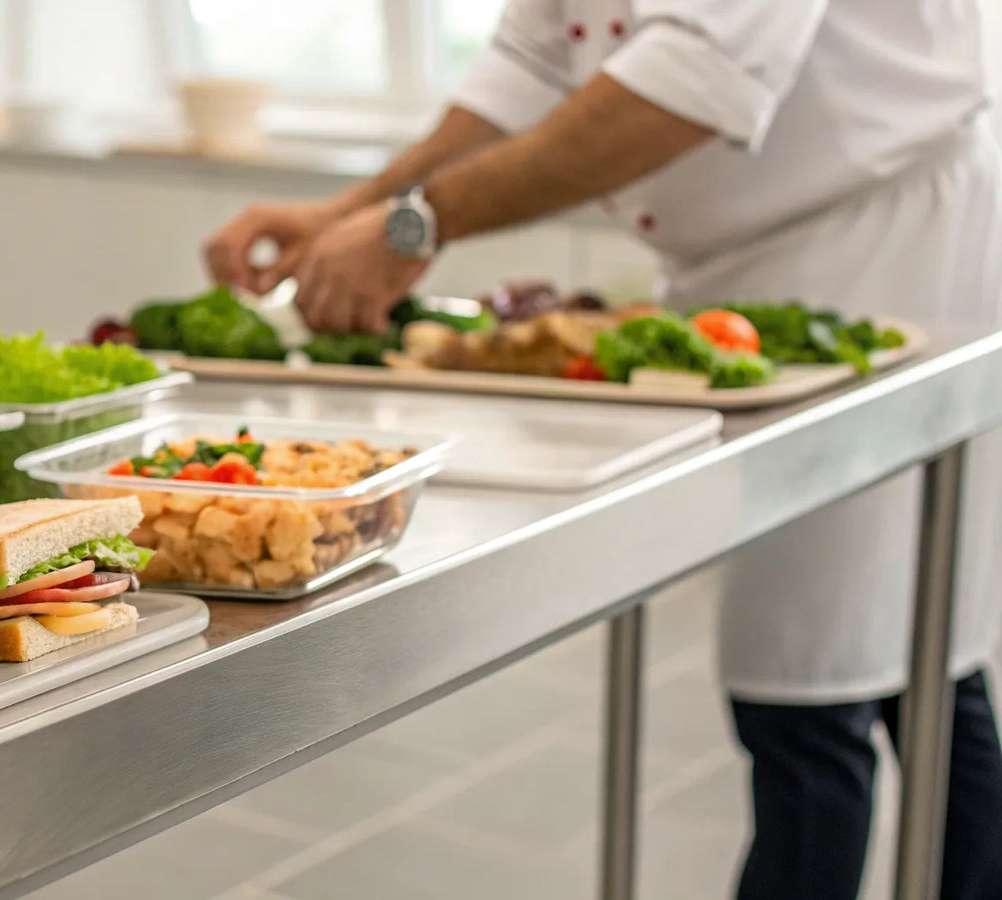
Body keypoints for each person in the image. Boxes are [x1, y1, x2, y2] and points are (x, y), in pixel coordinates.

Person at [202, 2, 1002, 898]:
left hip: (877, 238)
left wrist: (412, 228)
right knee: (904, 648)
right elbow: (534, 59)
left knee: (819, 678)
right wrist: (350, 217)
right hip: (735, 259)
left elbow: (687, 85)